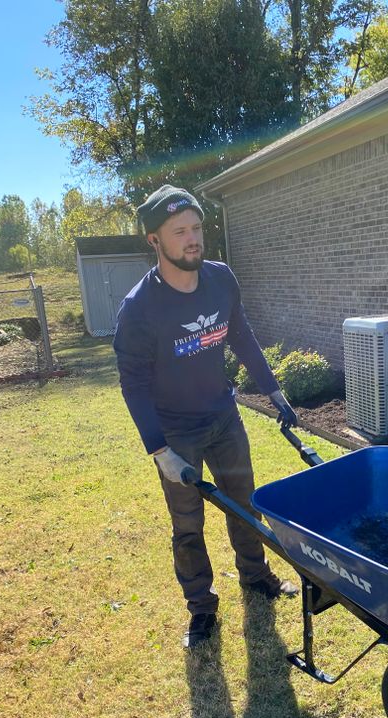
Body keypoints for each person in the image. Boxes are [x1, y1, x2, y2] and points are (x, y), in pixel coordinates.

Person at [114, 184, 299, 648]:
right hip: (176, 432)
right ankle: (201, 608)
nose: (192, 238)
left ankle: (255, 576)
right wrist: (160, 451)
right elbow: (133, 386)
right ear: (154, 240)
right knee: (188, 525)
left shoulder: (221, 280)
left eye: (196, 227)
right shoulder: (139, 309)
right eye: (180, 231)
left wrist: (275, 391)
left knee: (245, 501)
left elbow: (242, 336)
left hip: (224, 416)